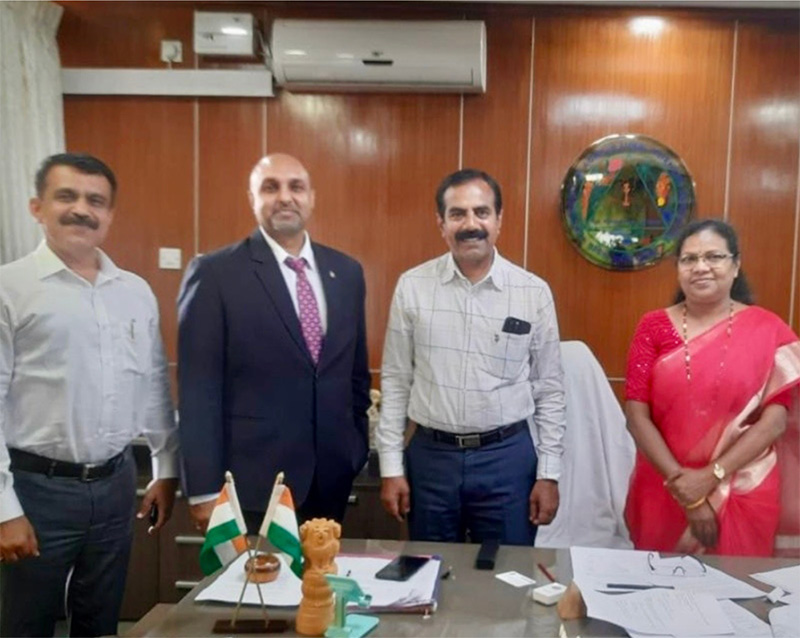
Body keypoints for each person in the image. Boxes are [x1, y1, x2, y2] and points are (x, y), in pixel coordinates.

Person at [0, 153, 180, 636]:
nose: (82, 209)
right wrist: (4, 509)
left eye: (95, 201)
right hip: (36, 490)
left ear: (110, 215)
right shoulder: (9, 289)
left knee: (101, 621)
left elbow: (153, 384)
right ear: (37, 207)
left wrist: (165, 468)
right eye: (67, 196)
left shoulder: (136, 292)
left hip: (116, 484)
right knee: (24, 624)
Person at [177, 153, 370, 534]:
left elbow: (355, 375)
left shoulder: (346, 272)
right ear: (252, 199)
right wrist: (202, 490)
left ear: (311, 198)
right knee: (257, 593)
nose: (285, 197)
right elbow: (199, 389)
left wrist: (354, 447)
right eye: (271, 187)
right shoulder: (216, 274)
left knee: (319, 588)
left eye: (295, 187)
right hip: (251, 484)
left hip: (330, 479)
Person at [377, 168, 566, 545]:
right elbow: (396, 381)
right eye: (458, 214)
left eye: (482, 212)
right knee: (427, 573)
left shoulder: (533, 293)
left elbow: (550, 391)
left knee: (507, 578)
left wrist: (549, 474)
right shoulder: (412, 287)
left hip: (507, 460)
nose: (471, 224)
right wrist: (391, 467)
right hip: (431, 459)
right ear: (441, 223)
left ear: (499, 221)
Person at [624, 218, 800, 556]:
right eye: (689, 259)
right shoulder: (653, 327)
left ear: (735, 266)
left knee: (738, 592)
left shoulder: (768, 329)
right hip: (664, 486)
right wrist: (684, 488)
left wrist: (711, 476)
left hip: (743, 486)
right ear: (678, 269)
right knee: (660, 591)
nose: (701, 267)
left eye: (714, 257)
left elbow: (774, 421)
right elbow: (636, 415)